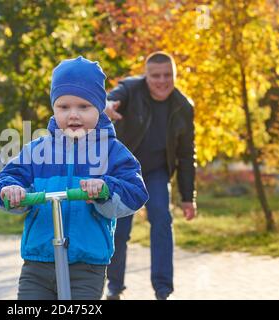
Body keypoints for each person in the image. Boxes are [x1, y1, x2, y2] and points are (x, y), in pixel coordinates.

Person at [0, 56, 149, 300]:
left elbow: (136, 191)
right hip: (38, 263)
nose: (73, 115)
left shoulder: (111, 151)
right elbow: (9, 176)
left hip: (86, 265)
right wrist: (11, 190)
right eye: (64, 107)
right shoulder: (37, 150)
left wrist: (105, 188)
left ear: (99, 107)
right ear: (54, 108)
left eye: (83, 107)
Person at [105, 51, 197, 300]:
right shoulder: (130, 89)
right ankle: (114, 286)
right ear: (146, 76)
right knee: (120, 229)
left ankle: (163, 290)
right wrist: (108, 105)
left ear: (175, 75)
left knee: (162, 220)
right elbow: (113, 97)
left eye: (168, 75)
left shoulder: (183, 106)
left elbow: (186, 155)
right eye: (155, 75)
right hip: (124, 171)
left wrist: (188, 197)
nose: (162, 81)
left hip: (156, 172)